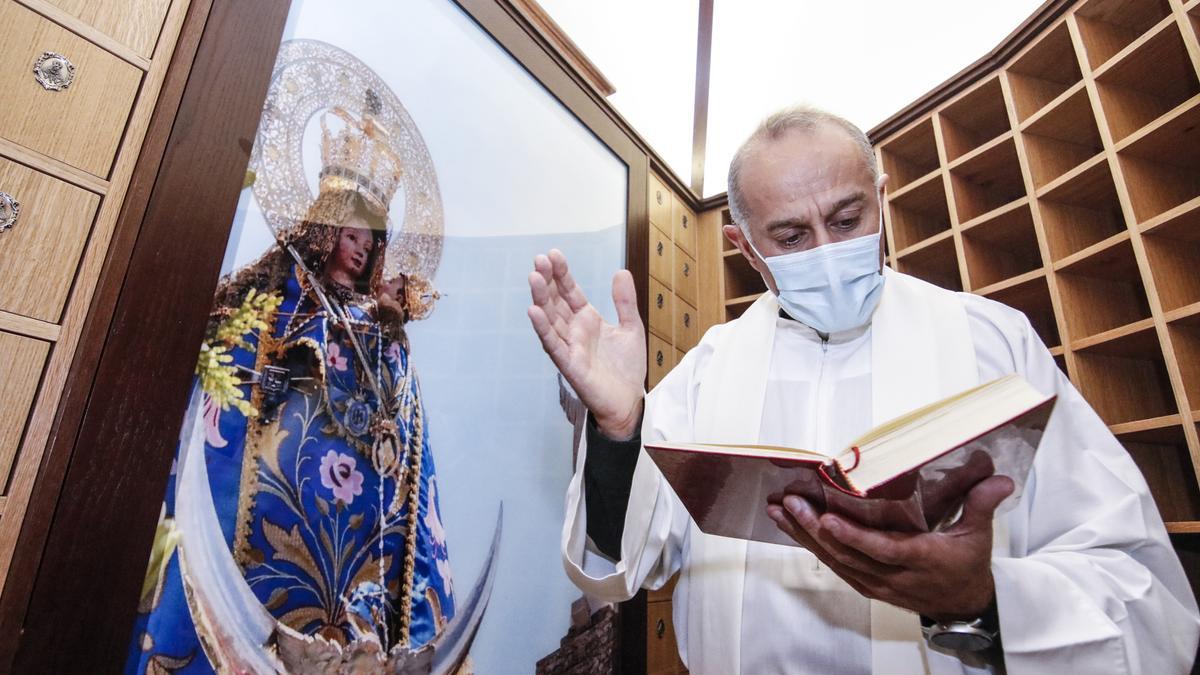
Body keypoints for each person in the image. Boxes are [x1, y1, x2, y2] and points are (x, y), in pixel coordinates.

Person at [527, 105, 1200, 674]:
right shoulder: (711, 368)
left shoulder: (992, 341)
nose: (826, 248)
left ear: (881, 196)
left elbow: (1136, 582)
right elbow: (632, 553)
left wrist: (984, 596)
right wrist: (619, 430)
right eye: (790, 235)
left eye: (847, 219)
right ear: (744, 246)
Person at [127, 163, 453, 670]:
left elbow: (399, 417)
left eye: (371, 242)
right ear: (326, 232)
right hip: (263, 484)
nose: (363, 249)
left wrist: (388, 329)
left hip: (359, 516)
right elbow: (232, 367)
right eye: (352, 235)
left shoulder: (380, 332)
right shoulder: (272, 303)